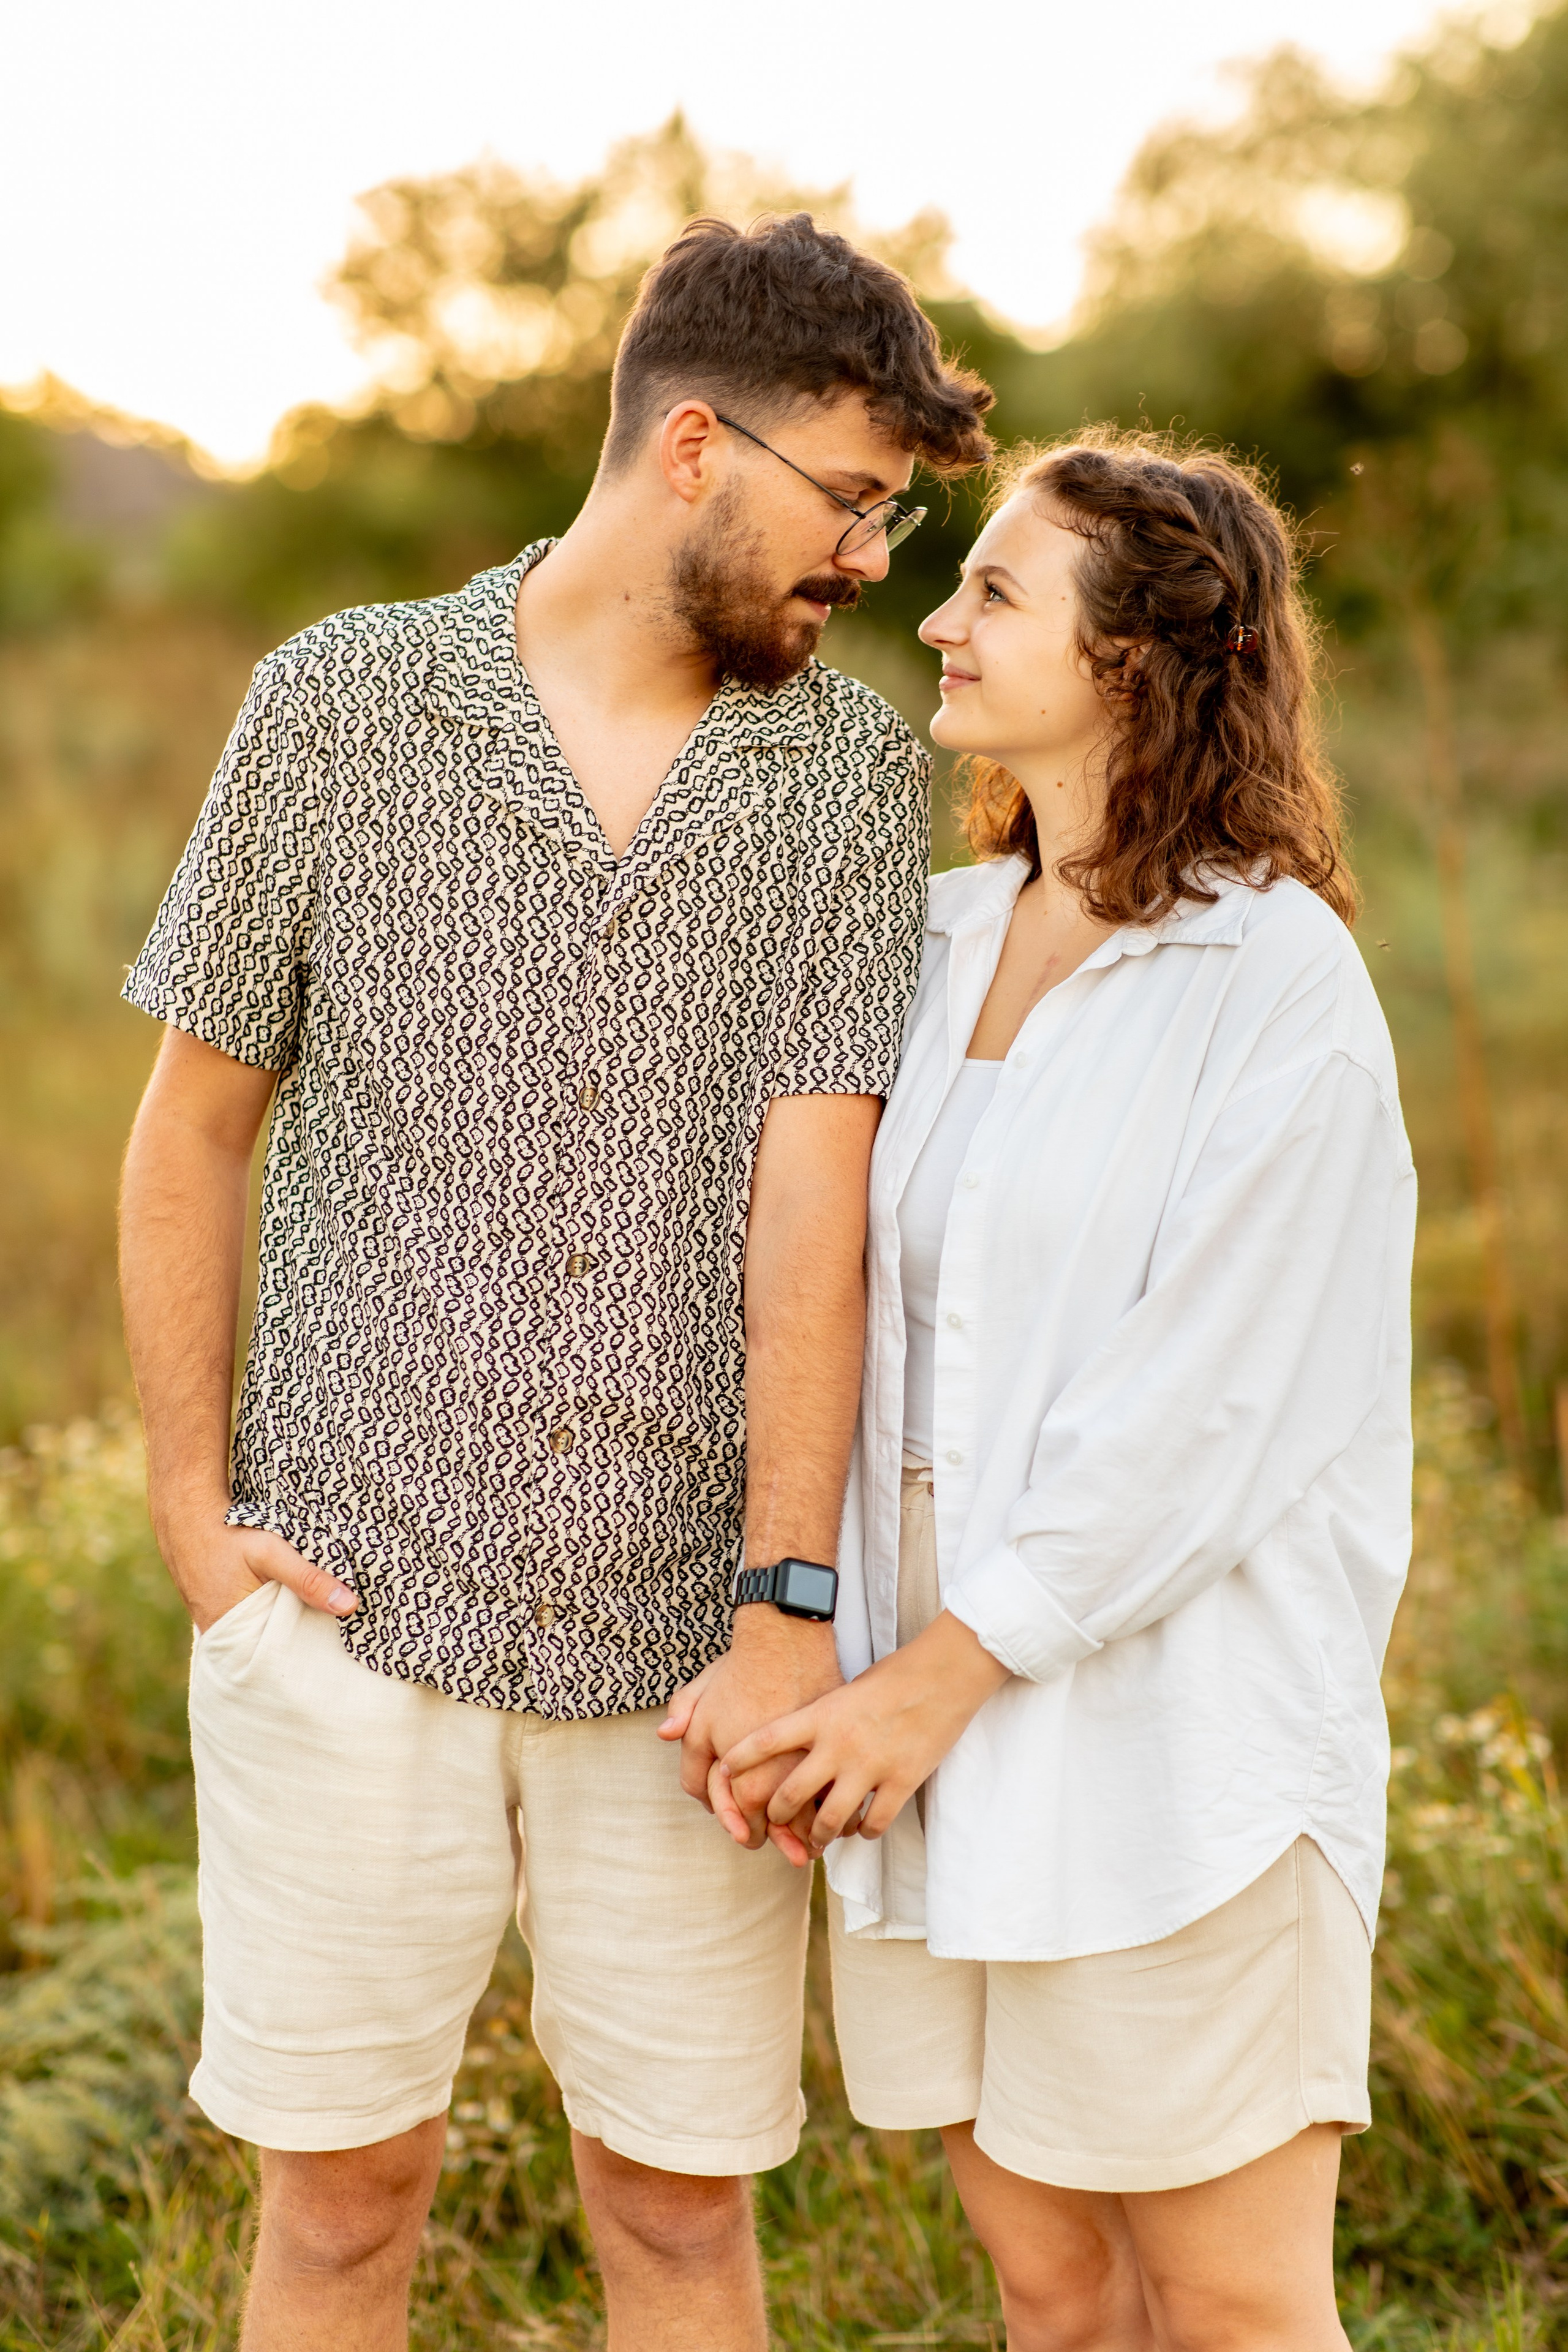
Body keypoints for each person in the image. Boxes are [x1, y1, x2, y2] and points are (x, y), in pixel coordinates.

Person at [117, 212, 992, 2352]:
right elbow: (189, 1127)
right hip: (348, 1603)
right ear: (698, 446)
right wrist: (184, 1511)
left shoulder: (846, 776)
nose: (873, 559)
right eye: (852, 499)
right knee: (339, 2212)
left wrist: (788, 1604)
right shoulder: (334, 705)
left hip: (689, 1654)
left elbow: (822, 1203)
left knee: (681, 2219)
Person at [710, 430, 1417, 2350]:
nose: (933, 616)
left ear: (1133, 661)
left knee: (1230, 2303)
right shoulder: (931, 949)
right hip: (934, 1755)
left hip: (1167, 1756)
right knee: (1053, 2291)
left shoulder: (1273, 985)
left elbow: (1204, 1420)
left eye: (997, 592)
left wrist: (922, 1697)